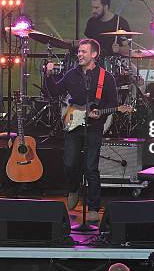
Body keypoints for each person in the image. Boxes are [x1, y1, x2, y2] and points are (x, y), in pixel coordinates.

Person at [45, 39, 118, 221]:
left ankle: (93, 207)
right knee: (69, 163)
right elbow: (54, 92)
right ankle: (73, 189)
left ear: (94, 54)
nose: (79, 54)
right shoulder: (71, 75)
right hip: (73, 124)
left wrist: (99, 114)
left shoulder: (106, 77)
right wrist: (47, 75)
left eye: (84, 52)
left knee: (91, 168)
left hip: (94, 127)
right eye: (79, 52)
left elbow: (113, 104)